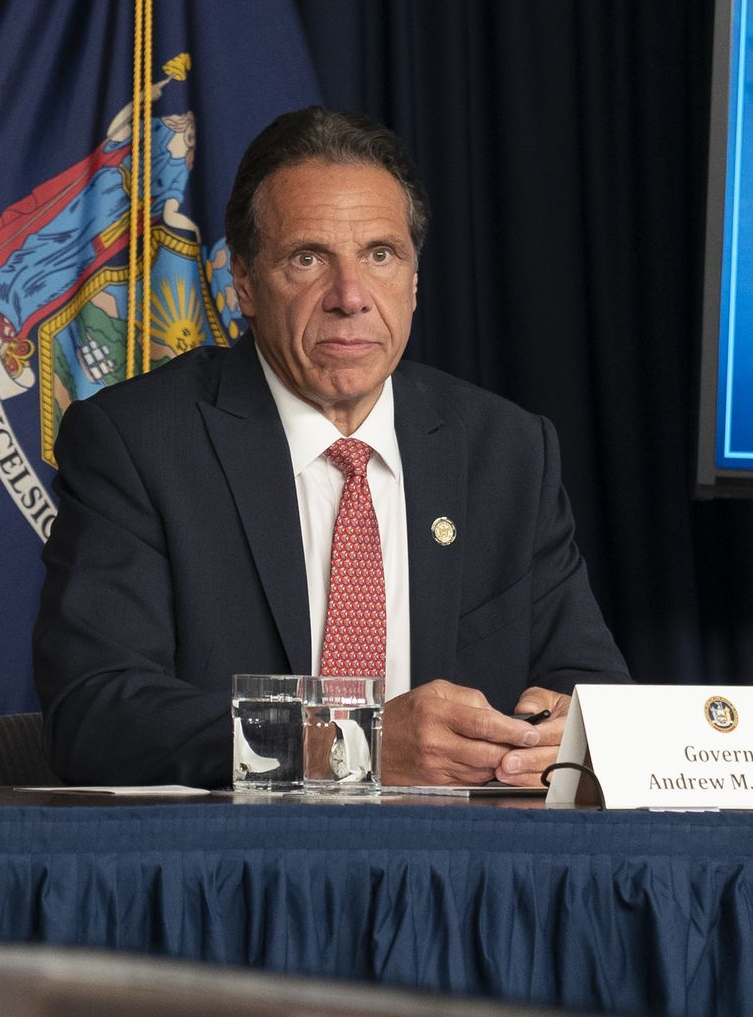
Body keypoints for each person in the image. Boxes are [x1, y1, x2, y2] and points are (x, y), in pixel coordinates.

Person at [33, 107, 631, 788]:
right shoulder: (138, 444)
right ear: (246, 283)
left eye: (380, 255)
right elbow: (96, 715)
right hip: (239, 874)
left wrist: (565, 731)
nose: (350, 296)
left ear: (413, 279)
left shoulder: (508, 451)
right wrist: (352, 746)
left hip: (465, 875)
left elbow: (589, 690)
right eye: (308, 258)